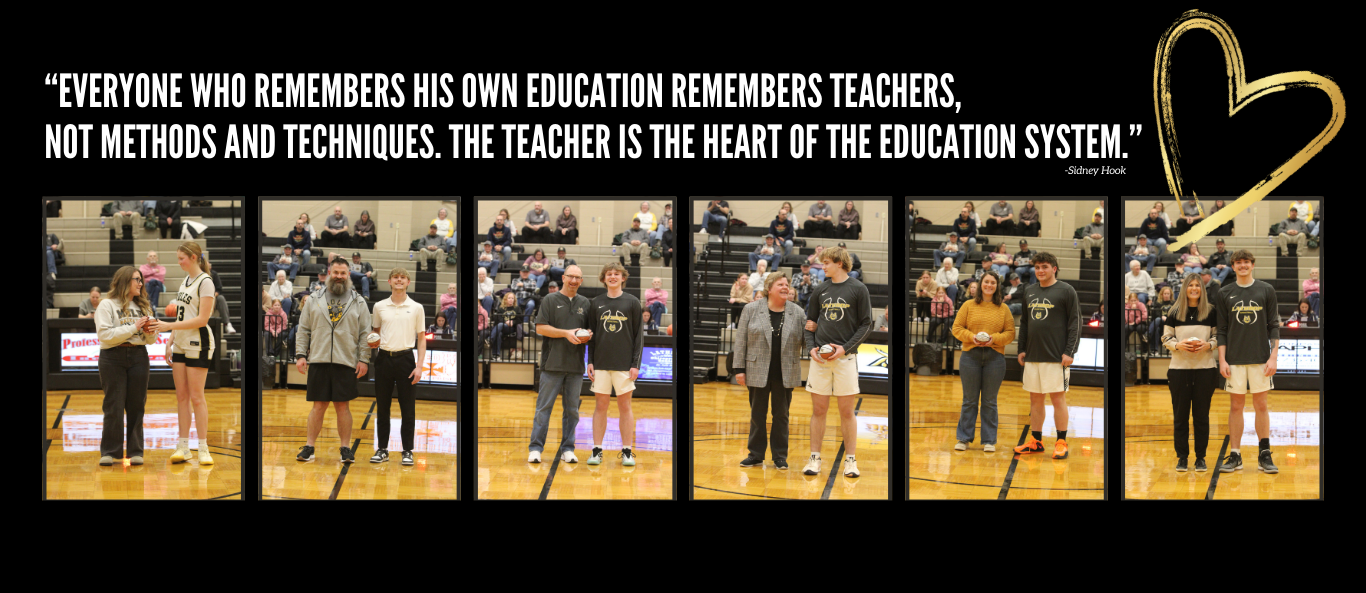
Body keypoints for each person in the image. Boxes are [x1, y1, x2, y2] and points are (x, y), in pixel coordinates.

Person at [801, 246, 872, 478]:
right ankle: (814, 458)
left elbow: (866, 324)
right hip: (820, 361)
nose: (823, 267)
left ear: (839, 263)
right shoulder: (819, 290)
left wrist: (844, 349)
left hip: (845, 359)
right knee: (818, 410)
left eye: (827, 263)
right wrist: (811, 347)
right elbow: (810, 323)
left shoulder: (858, 289)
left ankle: (850, 460)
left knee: (846, 411)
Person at [294, 256, 372, 464]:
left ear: (348, 275)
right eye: (335, 272)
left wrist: (363, 359)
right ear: (329, 273)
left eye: (343, 273)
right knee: (318, 406)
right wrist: (301, 355)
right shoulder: (313, 298)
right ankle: (309, 447)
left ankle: (345, 448)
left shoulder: (359, 301)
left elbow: (366, 332)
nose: (339, 276)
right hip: (319, 359)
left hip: (346, 360)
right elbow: (303, 329)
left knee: (342, 406)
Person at [1215, 249, 1280, 473]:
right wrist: (1222, 360)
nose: (1243, 265)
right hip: (1234, 359)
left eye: (1246, 262)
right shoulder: (1224, 293)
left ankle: (1264, 454)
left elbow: (1274, 325)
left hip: (1261, 358)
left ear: (1253, 265)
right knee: (1236, 406)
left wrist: (1273, 356)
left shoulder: (1266, 289)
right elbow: (1221, 330)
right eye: (1238, 262)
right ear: (1232, 266)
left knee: (1261, 405)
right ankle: (1235, 455)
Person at [735, 273, 805, 470]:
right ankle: (755, 455)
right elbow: (741, 340)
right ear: (769, 287)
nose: (785, 287)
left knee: (781, 415)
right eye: (780, 284)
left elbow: (806, 340)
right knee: (757, 414)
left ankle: (779, 456)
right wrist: (739, 369)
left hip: (785, 371)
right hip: (757, 369)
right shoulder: (751, 309)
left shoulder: (798, 312)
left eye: (787, 284)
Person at [1014, 252, 1080, 460]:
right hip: (1033, 355)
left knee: (1058, 399)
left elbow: (1075, 323)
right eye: (1037, 267)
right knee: (1035, 399)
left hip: (1056, 357)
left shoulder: (1066, 291)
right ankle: (1036, 441)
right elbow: (1025, 323)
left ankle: (1061, 441)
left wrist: (1070, 351)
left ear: (1054, 268)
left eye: (1044, 266)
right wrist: (1021, 348)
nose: (1040, 271)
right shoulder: (1030, 290)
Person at [158, 242, 219, 465]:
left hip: (198, 342)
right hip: (181, 342)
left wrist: (168, 326)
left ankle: (203, 447)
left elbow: (202, 319)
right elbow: (182, 316)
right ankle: (183, 446)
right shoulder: (185, 280)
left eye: (182, 258)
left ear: (193, 257)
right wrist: (171, 339)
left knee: (196, 397)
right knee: (181, 397)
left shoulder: (206, 283)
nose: (179, 262)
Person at [528, 264, 593, 464]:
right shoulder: (550, 299)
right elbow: (540, 328)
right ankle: (536, 448)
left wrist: (587, 336)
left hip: (575, 366)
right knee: (543, 408)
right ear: (564, 278)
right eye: (571, 276)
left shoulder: (586, 303)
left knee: (572, 410)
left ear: (581, 281)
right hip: (552, 364)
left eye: (578, 278)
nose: (574, 280)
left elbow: (591, 333)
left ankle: (567, 448)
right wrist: (566, 333)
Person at [94, 266, 159, 466]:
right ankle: (110, 451)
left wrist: (150, 331)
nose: (141, 283)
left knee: (137, 405)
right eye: (136, 280)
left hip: (139, 356)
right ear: (124, 281)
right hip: (112, 357)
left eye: (141, 280)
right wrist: (134, 327)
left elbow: (150, 340)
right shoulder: (106, 305)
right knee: (113, 404)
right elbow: (104, 336)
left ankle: (135, 451)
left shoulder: (144, 306)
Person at [585, 262, 645, 466]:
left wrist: (635, 363)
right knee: (600, 406)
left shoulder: (632, 302)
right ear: (603, 279)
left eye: (616, 274)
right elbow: (591, 336)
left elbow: (638, 337)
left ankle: (627, 451)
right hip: (600, 363)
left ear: (623, 278)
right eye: (609, 274)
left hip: (624, 365)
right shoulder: (596, 303)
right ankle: (597, 450)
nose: (612, 276)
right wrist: (590, 360)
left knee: (624, 406)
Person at [950, 270, 1015, 452]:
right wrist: (972, 337)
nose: (989, 285)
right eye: (986, 282)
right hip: (970, 356)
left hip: (995, 358)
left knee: (989, 401)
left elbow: (1010, 333)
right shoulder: (968, 305)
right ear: (980, 285)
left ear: (997, 287)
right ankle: (963, 438)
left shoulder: (1004, 309)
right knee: (969, 400)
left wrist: (994, 339)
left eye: (993, 283)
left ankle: (989, 440)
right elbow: (956, 328)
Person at [369, 267, 426, 466]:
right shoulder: (379, 306)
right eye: (396, 277)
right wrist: (372, 342)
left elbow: (421, 338)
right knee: (382, 407)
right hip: (384, 359)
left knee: (408, 409)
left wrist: (419, 366)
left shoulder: (417, 307)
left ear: (408, 282)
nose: (399, 280)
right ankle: (382, 449)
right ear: (389, 281)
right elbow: (375, 332)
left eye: (403, 277)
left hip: (406, 360)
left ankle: (407, 450)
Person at [1163, 273, 1220, 472]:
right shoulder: (1175, 311)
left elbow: (1218, 337)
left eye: (1197, 285)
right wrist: (1178, 345)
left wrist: (1209, 345)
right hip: (1179, 371)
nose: (1194, 288)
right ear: (1185, 288)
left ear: (1202, 289)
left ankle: (1201, 458)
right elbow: (1165, 338)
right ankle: (1182, 457)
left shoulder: (1211, 311)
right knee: (1180, 416)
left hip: (1205, 370)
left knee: (1201, 417)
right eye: (1190, 285)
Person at [492, 292, 524, 360]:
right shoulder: (501, 308)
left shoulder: (517, 308)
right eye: (509, 298)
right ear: (506, 299)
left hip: (511, 328)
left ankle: (490, 339)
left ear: (514, 300)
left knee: (500, 325)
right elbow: (498, 319)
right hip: (501, 328)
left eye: (512, 298)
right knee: (499, 333)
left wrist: (513, 322)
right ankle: (496, 355)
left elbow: (520, 319)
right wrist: (506, 321)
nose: (511, 299)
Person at [1147, 285, 1176, 355]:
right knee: (1157, 324)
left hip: (1170, 323)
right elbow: (1155, 314)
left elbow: (1175, 314)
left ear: (1170, 294)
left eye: (1168, 294)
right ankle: (1155, 351)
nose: (1166, 295)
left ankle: (1147, 335)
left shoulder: (1174, 303)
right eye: (1165, 294)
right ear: (1162, 295)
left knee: (1157, 323)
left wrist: (1168, 318)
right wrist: (1161, 316)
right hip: (1160, 322)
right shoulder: (1158, 303)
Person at [1121, 290, 1148, 354]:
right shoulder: (1126, 307)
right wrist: (1133, 310)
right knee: (1126, 328)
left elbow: (1144, 316)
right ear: (1129, 301)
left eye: (1135, 300)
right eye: (1131, 301)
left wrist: (1136, 321)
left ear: (1137, 300)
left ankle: (1145, 350)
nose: (1133, 302)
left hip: (1140, 323)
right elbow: (1127, 319)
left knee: (1140, 328)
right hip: (1130, 323)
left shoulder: (1141, 305)